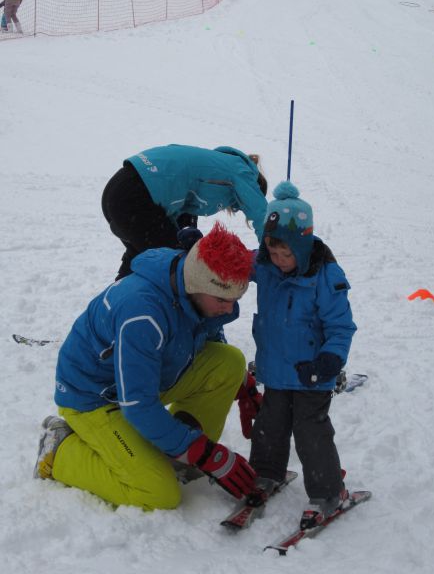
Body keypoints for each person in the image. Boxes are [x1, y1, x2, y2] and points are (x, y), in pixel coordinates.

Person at [33, 222, 259, 511]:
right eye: (222, 300)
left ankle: (173, 452)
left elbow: (206, 335)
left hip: (146, 376)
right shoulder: (142, 312)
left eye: (235, 300)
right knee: (157, 493)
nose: (229, 309)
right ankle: (60, 449)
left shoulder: (191, 284)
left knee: (230, 363)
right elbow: (137, 404)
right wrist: (205, 454)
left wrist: (243, 384)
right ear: (198, 285)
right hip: (95, 397)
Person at [244, 181, 357, 529]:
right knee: (269, 425)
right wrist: (207, 252)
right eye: (273, 252)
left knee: (311, 432)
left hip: (312, 374)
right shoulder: (264, 265)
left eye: (286, 254)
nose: (279, 262)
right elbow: (233, 264)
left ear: (303, 245)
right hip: (276, 370)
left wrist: (328, 361)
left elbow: (341, 327)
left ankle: (328, 493)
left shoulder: (326, 276)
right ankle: (266, 474)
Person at [102, 144, 268, 280]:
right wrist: (271, 250)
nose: (232, 208)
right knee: (176, 267)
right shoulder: (243, 172)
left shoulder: (218, 165)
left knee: (144, 257)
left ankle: (112, 306)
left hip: (119, 188)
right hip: (137, 195)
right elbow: (262, 215)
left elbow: (181, 218)